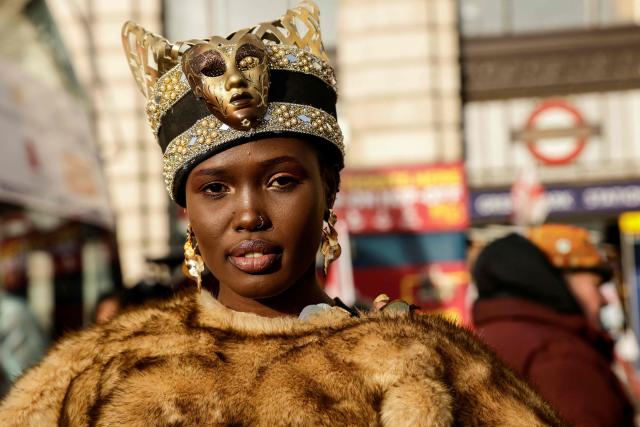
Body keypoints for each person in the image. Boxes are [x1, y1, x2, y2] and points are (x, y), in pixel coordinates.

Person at [0, 3, 562, 425]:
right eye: (215, 189)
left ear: (329, 187)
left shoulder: (420, 365)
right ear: (185, 209)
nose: (249, 215)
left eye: (281, 182)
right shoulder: (94, 376)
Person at [472, 225, 635, 427]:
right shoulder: (558, 354)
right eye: (595, 284)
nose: (604, 299)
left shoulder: (483, 337)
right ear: (556, 281)